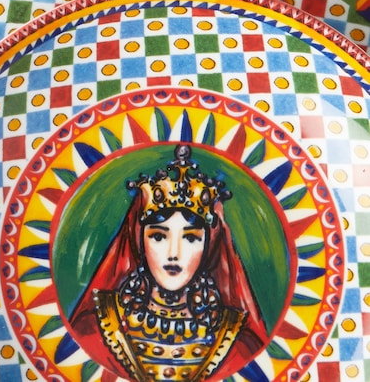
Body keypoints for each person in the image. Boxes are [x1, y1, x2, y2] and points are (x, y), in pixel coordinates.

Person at [66, 144, 268, 382]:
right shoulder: (92, 328)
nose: (174, 253)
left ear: (210, 244)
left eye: (190, 238)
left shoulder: (240, 342)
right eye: (159, 236)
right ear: (138, 239)